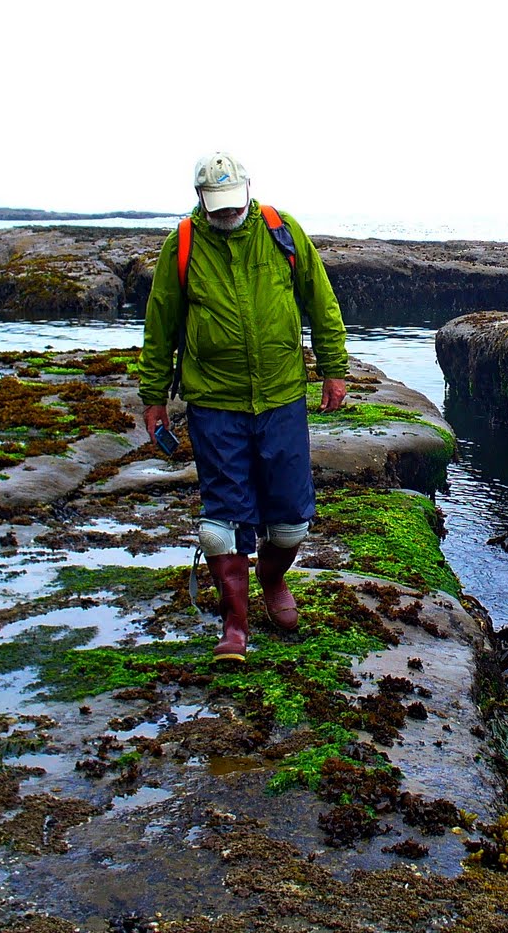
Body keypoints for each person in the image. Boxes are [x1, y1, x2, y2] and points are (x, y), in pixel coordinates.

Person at [137, 151, 348, 661]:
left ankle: (273, 582)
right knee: (220, 524)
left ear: (249, 190)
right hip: (214, 402)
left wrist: (334, 367)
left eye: (234, 204)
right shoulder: (182, 245)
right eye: (217, 206)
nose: (227, 214)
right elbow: (160, 324)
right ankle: (236, 623)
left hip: (280, 397)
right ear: (200, 201)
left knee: (292, 519)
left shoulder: (281, 231)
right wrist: (153, 397)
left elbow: (320, 300)